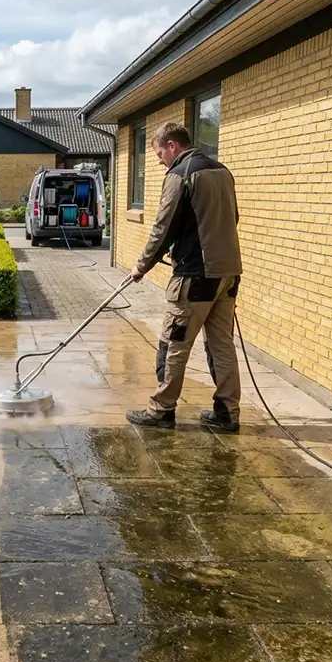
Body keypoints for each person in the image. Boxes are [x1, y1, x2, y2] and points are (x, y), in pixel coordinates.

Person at [126, 122, 243, 432]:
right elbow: (233, 218)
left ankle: (161, 410)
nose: (159, 159)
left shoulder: (180, 174)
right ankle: (227, 413)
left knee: (174, 343)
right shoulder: (222, 171)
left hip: (194, 276)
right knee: (222, 345)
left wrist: (141, 266)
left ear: (172, 146)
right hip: (228, 274)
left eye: (159, 152)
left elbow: (162, 227)